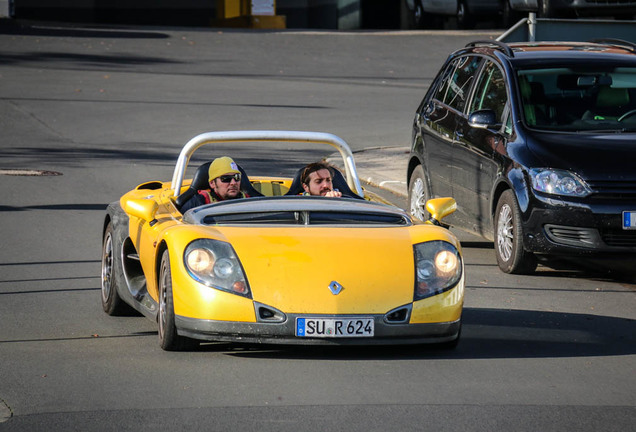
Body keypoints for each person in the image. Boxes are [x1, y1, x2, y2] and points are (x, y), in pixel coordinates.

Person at [179, 156, 248, 212]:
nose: (233, 183)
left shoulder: (249, 201)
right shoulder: (197, 203)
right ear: (212, 183)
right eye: (226, 179)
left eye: (237, 177)